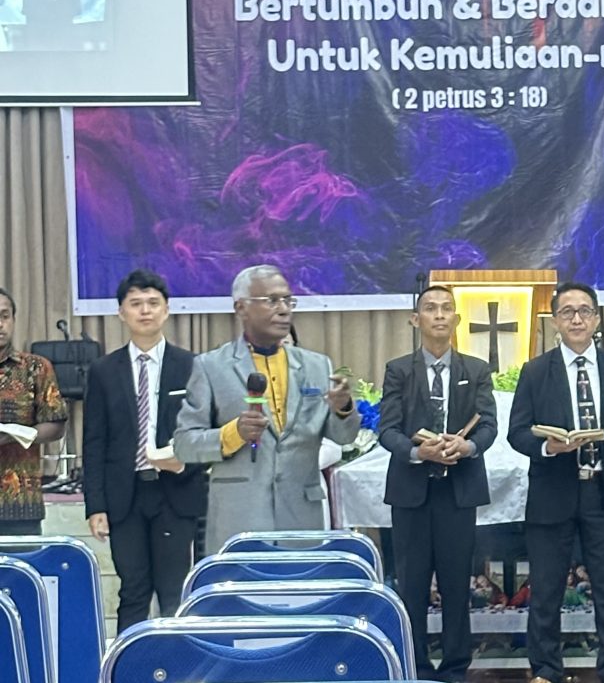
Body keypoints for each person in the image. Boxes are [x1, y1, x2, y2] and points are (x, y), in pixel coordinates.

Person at [508, 281, 604, 683]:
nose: (576, 319)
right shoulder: (536, 371)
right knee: (546, 588)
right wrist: (547, 446)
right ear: (555, 321)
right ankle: (545, 672)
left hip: (603, 492)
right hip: (552, 491)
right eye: (567, 312)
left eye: (584, 311)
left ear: (596, 319)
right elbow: (517, 431)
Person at [173, 265, 360, 552]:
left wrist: (343, 408)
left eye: (288, 300)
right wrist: (233, 433)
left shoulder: (316, 365)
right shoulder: (211, 367)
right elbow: (184, 445)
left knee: (300, 583)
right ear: (241, 308)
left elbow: (344, 437)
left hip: (301, 520)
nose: (284, 309)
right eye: (272, 301)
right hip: (239, 517)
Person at [378, 285, 497, 683]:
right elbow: (388, 430)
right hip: (411, 493)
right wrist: (418, 452)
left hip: (458, 492)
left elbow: (489, 426)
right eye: (431, 308)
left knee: (456, 583)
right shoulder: (399, 370)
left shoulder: (476, 370)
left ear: (457, 319)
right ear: (416, 320)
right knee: (411, 585)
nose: (440, 315)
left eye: (447, 308)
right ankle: (415, 666)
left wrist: (468, 446)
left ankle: (455, 667)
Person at [82, 270, 208, 631]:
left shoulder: (192, 365)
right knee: (133, 590)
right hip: (126, 495)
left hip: (175, 492)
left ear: (167, 310)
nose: (145, 311)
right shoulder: (103, 370)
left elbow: (204, 432)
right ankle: (129, 661)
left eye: (153, 303)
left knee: (174, 592)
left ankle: (178, 660)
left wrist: (184, 464)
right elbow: (94, 441)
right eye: (135, 304)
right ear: (121, 313)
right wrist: (96, 505)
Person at [0, 287, 67, 535]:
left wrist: (19, 434)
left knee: (22, 562)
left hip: (21, 503)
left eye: (5, 316)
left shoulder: (36, 368)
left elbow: (56, 424)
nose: (0, 324)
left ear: (14, 319)